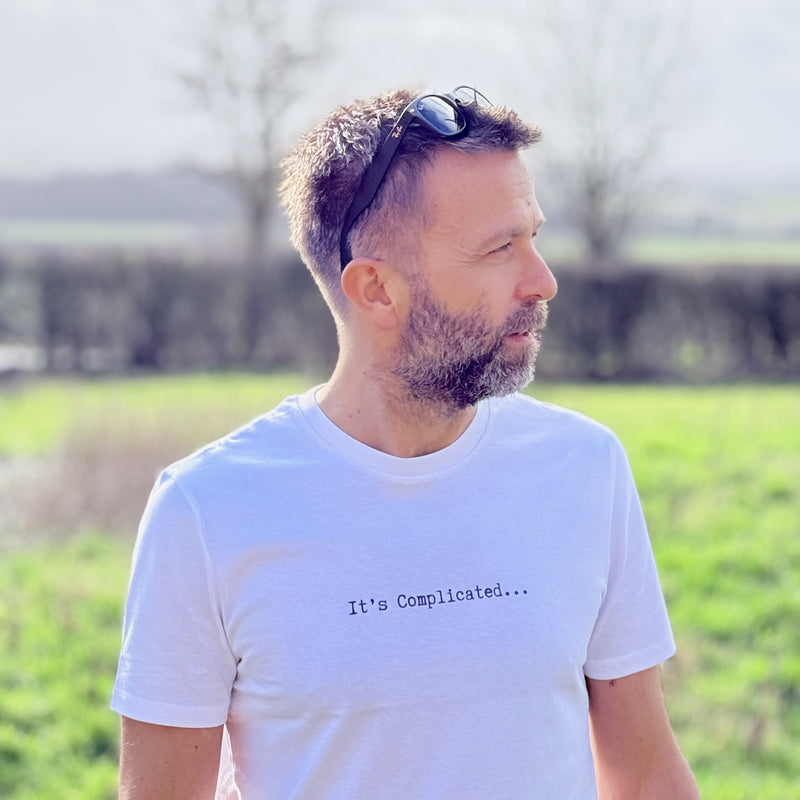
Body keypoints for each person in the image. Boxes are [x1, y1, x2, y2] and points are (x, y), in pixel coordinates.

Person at [112, 85, 700, 799]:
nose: (542, 281)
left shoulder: (584, 467)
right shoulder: (206, 511)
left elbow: (645, 775)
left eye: (533, 238)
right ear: (377, 291)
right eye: (499, 249)